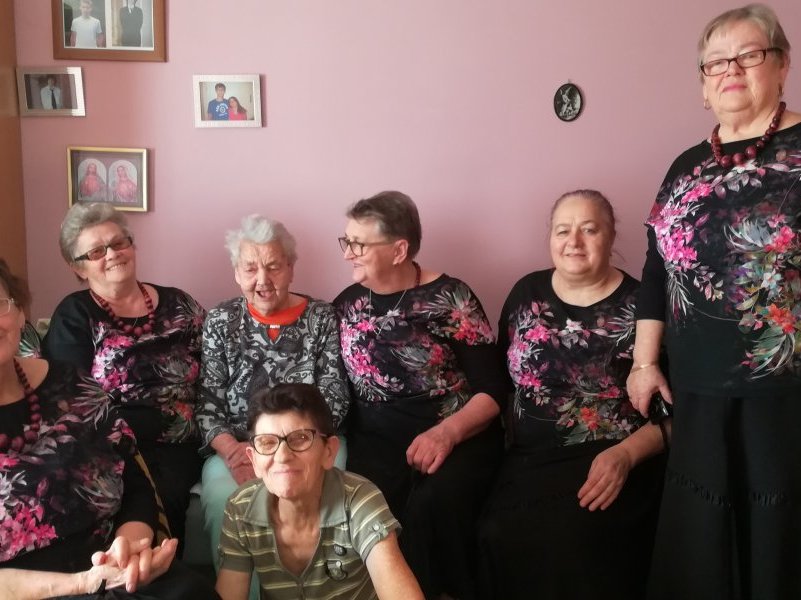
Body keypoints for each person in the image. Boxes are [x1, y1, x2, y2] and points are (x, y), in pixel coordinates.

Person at [626, 5, 801, 599]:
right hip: (697, 383)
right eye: (717, 62)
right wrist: (644, 362)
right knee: (704, 540)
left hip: (786, 390)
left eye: (749, 55)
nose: (732, 70)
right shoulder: (685, 167)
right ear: (703, 85)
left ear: (781, 65)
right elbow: (656, 267)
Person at [478, 190, 668, 600]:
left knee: (573, 539)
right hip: (531, 460)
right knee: (498, 533)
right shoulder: (526, 293)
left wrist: (625, 456)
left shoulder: (644, 307)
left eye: (589, 230)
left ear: (611, 236)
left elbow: (678, 415)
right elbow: (499, 381)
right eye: (562, 230)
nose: (573, 242)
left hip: (615, 458)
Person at [0, 259, 218, 600]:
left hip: (117, 572)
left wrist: (129, 548)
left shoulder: (71, 382)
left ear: (17, 312)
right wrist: (86, 583)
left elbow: (133, 479)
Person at [333, 190, 506, 599]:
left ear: (399, 250)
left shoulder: (451, 298)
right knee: (370, 508)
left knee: (434, 503)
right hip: (375, 439)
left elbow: (494, 390)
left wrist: (446, 434)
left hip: (455, 434)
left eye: (359, 244)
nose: (348, 254)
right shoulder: (346, 304)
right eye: (346, 241)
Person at [41, 203, 206, 549]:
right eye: (96, 251)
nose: (112, 254)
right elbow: (69, 399)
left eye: (119, 243)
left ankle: (152, 569)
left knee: (165, 490)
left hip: (178, 442)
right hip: (111, 442)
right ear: (78, 267)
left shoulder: (179, 303)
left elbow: (216, 367)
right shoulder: (75, 315)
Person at [196, 214, 350, 575]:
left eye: (273, 266)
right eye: (250, 268)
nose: (262, 280)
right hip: (239, 448)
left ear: (291, 268)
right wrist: (236, 452)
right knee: (224, 498)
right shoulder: (221, 320)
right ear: (236, 273)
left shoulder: (321, 317)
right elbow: (207, 404)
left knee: (317, 496)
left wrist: (287, 448)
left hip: (310, 442)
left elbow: (334, 398)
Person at [215, 383, 423, 600]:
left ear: (329, 451)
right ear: (253, 460)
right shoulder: (240, 507)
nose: (282, 456)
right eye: (267, 443)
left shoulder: (359, 500)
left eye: (300, 438)